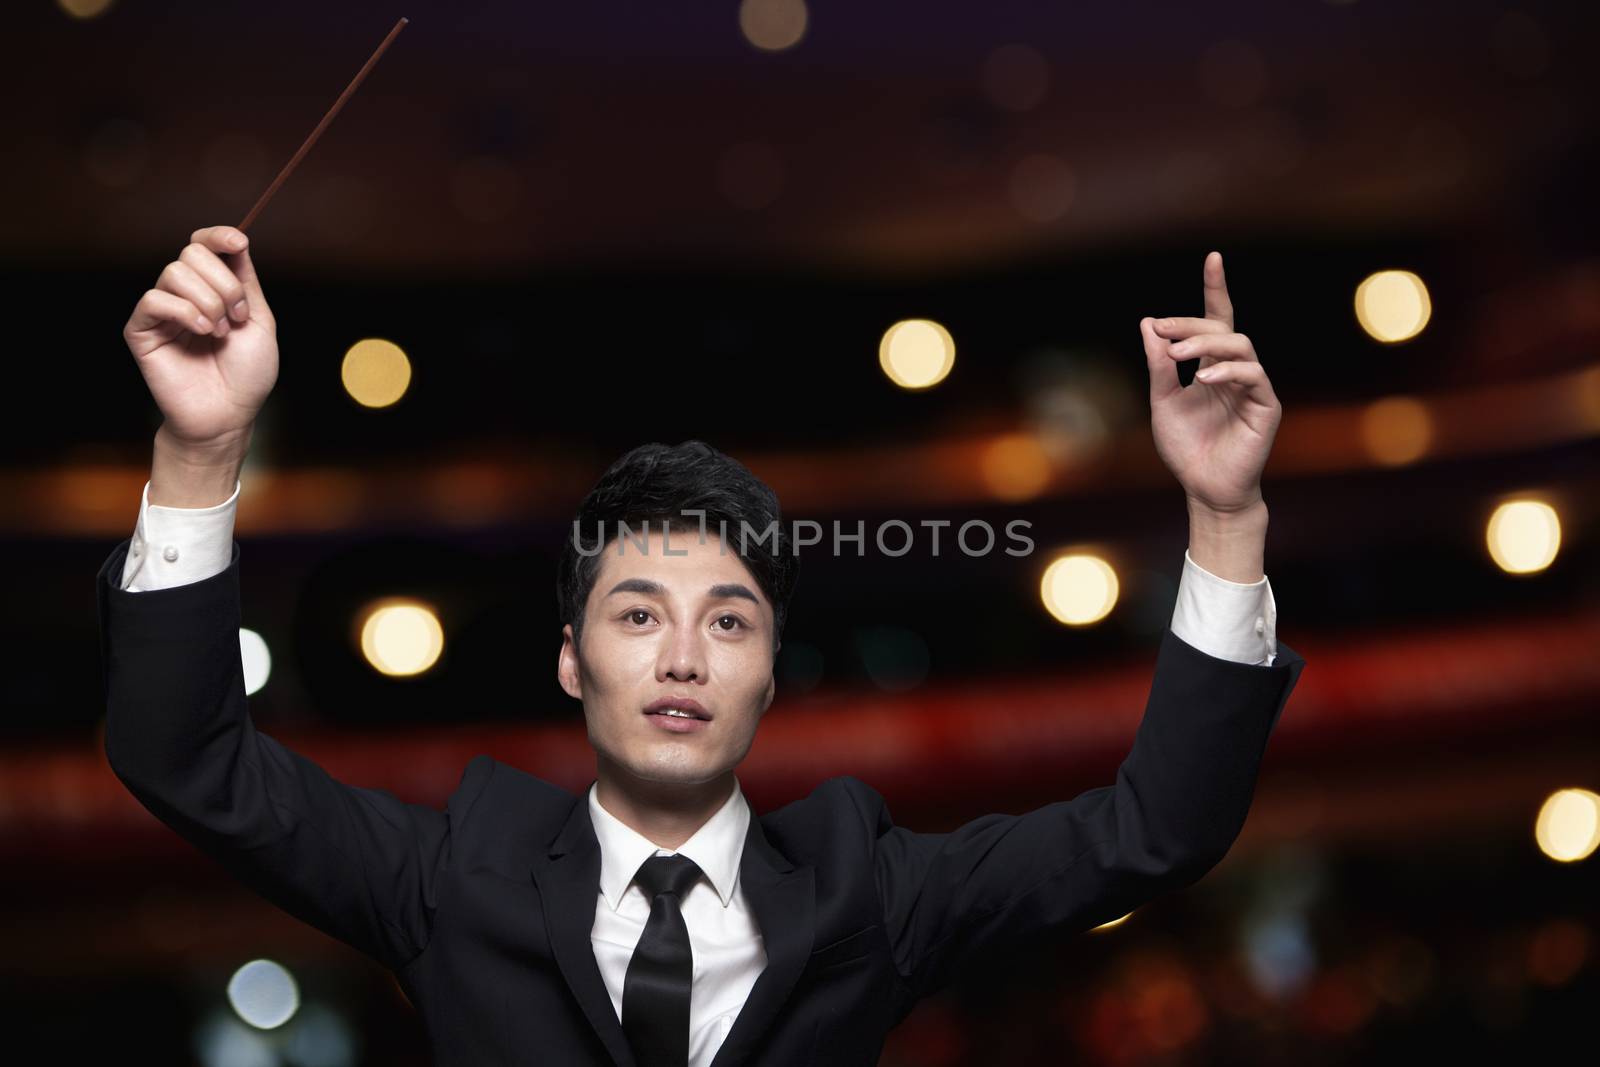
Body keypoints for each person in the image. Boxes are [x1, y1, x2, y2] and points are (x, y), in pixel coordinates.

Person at [99, 225, 1307, 1067]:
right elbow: (187, 759)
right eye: (637, 615)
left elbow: (1157, 830)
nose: (682, 657)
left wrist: (1225, 514)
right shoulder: (453, 875)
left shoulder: (868, 888)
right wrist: (201, 452)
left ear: (770, 674)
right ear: (570, 659)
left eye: (726, 620)